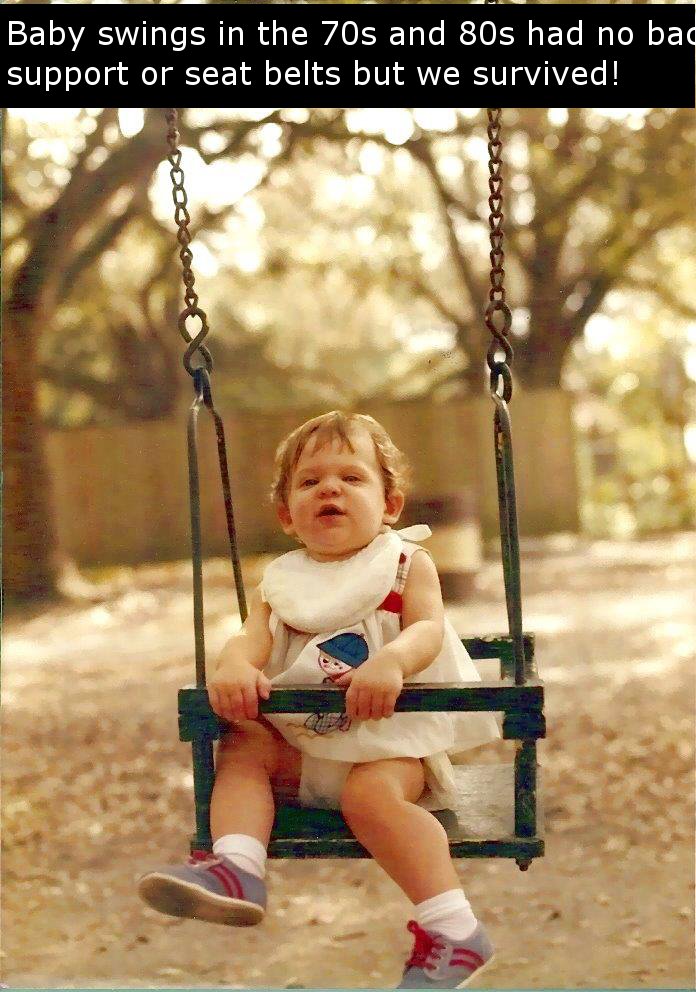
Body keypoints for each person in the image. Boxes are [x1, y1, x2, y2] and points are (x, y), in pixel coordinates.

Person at [138, 411, 499, 989]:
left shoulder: (406, 564)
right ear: (287, 514)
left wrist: (393, 661)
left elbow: (427, 630)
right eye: (309, 482)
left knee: (371, 799)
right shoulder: (281, 583)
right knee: (244, 747)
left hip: (388, 746)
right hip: (304, 745)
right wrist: (233, 664)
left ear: (390, 505)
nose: (329, 488)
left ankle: (455, 928)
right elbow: (249, 641)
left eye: (351, 478)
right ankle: (238, 868)